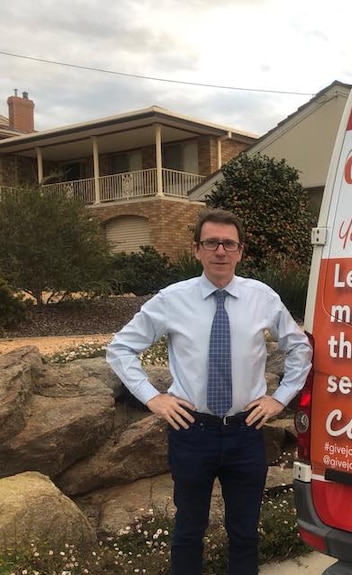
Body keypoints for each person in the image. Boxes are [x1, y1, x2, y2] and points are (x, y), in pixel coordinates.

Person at [106, 208, 312, 574]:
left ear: (240, 251)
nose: (220, 251)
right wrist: (153, 397)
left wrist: (279, 398)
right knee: (188, 531)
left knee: (245, 533)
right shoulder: (172, 299)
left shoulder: (262, 298)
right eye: (211, 243)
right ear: (196, 249)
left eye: (228, 244)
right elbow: (120, 348)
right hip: (192, 432)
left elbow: (299, 348)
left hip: (245, 431)